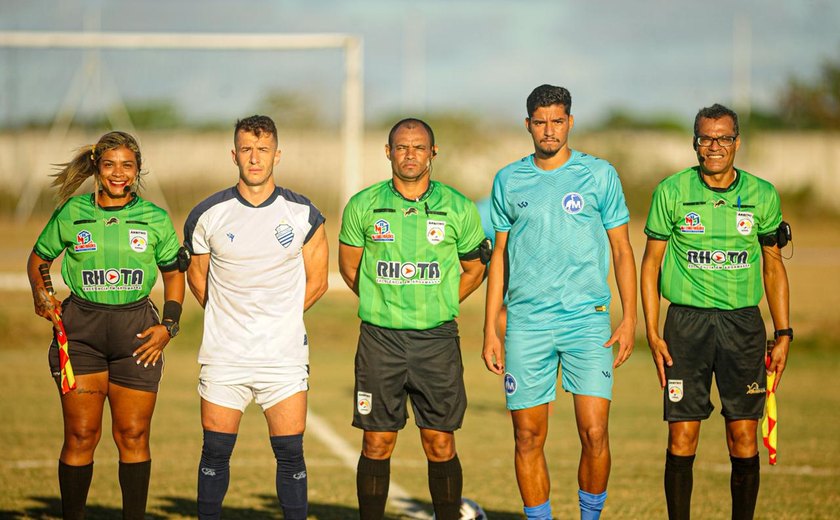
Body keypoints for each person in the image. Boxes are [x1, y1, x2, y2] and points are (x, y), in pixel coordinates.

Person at [482, 84, 637, 520]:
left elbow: (623, 250)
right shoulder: (509, 179)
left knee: (595, 433)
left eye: (557, 121)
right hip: (527, 325)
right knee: (528, 437)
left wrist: (629, 319)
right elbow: (499, 256)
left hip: (587, 322)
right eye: (540, 122)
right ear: (527, 124)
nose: (548, 130)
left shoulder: (599, 174)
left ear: (570, 122)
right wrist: (490, 327)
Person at [640, 103, 791, 520]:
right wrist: (653, 331)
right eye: (706, 137)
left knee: (743, 437)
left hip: (742, 325)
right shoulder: (671, 191)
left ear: (736, 142)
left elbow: (774, 266)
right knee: (682, 436)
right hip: (685, 326)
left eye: (723, 137)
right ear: (695, 143)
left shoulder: (762, 194)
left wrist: (784, 332)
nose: (715, 146)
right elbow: (650, 263)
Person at [26, 131, 186, 520]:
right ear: (97, 167)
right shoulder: (72, 212)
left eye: (127, 165)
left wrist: (169, 325)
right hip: (82, 335)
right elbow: (39, 258)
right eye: (110, 164)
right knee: (81, 436)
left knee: (132, 435)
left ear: (138, 170)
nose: (118, 173)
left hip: (137, 334)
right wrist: (42, 294)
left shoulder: (154, 218)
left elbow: (174, 274)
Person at [338, 118, 488, 520]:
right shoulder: (363, 205)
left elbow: (475, 270)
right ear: (388, 152)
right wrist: (384, 299)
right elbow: (350, 269)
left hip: (436, 340)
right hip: (380, 340)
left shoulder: (458, 207)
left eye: (418, 147)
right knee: (377, 441)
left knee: (439, 442)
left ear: (432, 153)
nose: (410, 154)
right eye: (401, 147)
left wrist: (435, 299)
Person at [183, 115, 329, 520]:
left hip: (282, 357)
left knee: (290, 453)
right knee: (214, 451)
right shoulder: (207, 214)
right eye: (246, 149)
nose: (254, 158)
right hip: (224, 354)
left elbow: (317, 283)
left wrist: (275, 318)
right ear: (234, 154)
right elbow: (199, 282)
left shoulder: (304, 214)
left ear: (276, 155)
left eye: (262, 150)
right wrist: (233, 318)